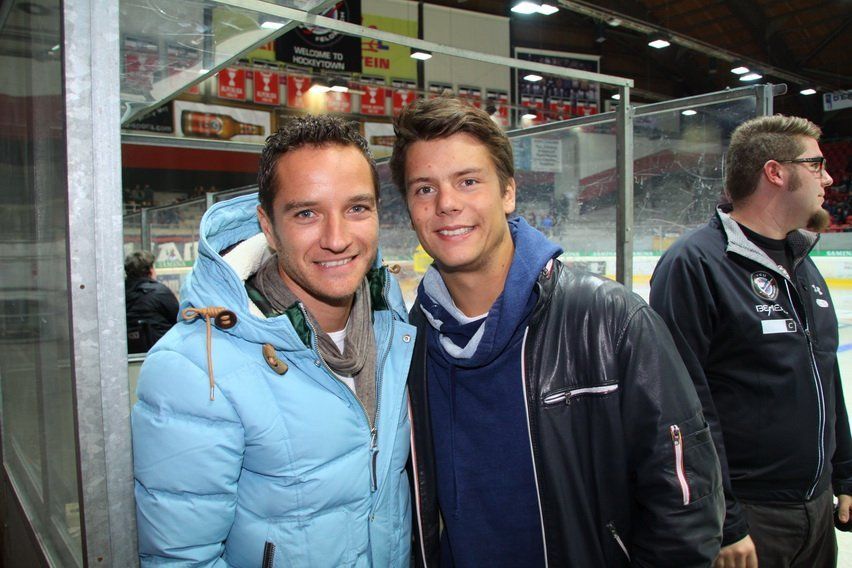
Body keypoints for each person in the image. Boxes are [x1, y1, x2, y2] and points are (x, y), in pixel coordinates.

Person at [390, 96, 724, 567]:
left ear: (508, 193)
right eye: (424, 189)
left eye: (468, 181)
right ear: (409, 208)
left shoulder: (610, 321)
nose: (446, 204)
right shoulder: (409, 343)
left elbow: (684, 506)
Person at [132, 116, 416, 566]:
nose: (337, 238)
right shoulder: (194, 368)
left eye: (357, 208)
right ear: (267, 225)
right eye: (306, 213)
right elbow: (181, 559)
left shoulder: (392, 322)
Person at [649, 115, 852, 568]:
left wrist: (845, 473)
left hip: (817, 507)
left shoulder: (801, 262)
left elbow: (825, 373)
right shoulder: (695, 264)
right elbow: (681, 405)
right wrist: (726, 520)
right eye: (817, 165)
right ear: (775, 172)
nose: (829, 178)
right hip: (748, 518)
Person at [124, 250, 179, 352]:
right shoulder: (160, 292)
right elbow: (179, 319)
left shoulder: (121, 294)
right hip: (160, 351)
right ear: (150, 270)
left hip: (129, 352)